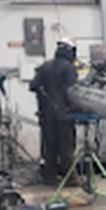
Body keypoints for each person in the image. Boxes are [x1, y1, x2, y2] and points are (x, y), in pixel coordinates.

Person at [30, 39, 77, 185]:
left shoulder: (45, 66)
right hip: (63, 114)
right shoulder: (69, 68)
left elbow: (33, 85)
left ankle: (49, 176)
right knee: (66, 146)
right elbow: (72, 91)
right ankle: (70, 178)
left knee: (49, 146)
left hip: (47, 113)